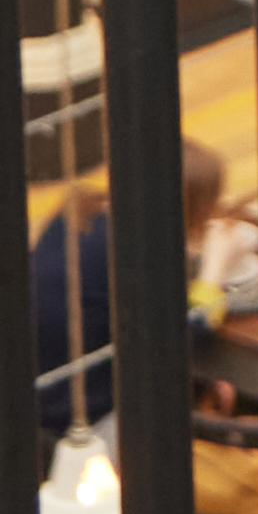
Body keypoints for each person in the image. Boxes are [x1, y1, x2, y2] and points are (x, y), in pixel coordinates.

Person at [30, 139, 224, 454]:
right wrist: (215, 266)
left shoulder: (78, 212)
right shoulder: (135, 252)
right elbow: (187, 338)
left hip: (29, 405)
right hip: (80, 425)